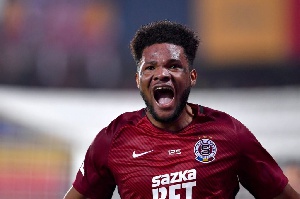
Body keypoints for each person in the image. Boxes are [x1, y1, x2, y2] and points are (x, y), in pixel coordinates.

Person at [64, 20, 300, 199]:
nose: (161, 74)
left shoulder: (228, 133)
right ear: (138, 80)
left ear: (192, 77)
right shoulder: (114, 138)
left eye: (174, 66)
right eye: (150, 68)